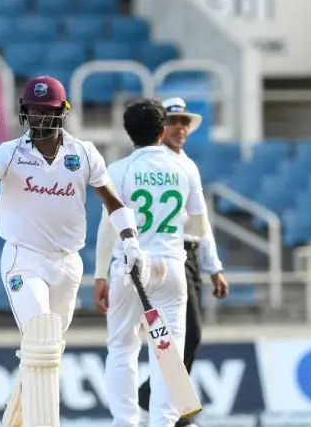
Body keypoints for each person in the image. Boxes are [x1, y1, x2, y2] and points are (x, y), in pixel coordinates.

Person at [0, 76, 143, 427]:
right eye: (34, 112)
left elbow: (114, 202)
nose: (40, 118)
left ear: (62, 112)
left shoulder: (83, 153)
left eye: (48, 111)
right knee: (40, 335)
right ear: (25, 113)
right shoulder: (10, 152)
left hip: (67, 264)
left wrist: (129, 239)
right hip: (24, 259)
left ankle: (14, 420)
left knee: (50, 350)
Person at [93, 98, 211, 427]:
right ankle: (163, 422)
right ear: (163, 130)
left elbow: (108, 226)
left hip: (131, 268)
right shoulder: (185, 169)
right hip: (172, 267)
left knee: (122, 348)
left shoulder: (118, 170)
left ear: (129, 133)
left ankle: (126, 422)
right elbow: (199, 228)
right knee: (166, 351)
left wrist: (100, 274)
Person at [127, 97, 229, 427]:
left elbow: (201, 223)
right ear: (160, 127)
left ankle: (159, 400)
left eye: (185, 122)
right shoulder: (145, 164)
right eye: (174, 122)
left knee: (187, 337)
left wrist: (213, 266)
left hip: (185, 256)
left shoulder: (187, 166)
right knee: (169, 335)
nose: (181, 129)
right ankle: (164, 406)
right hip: (155, 256)